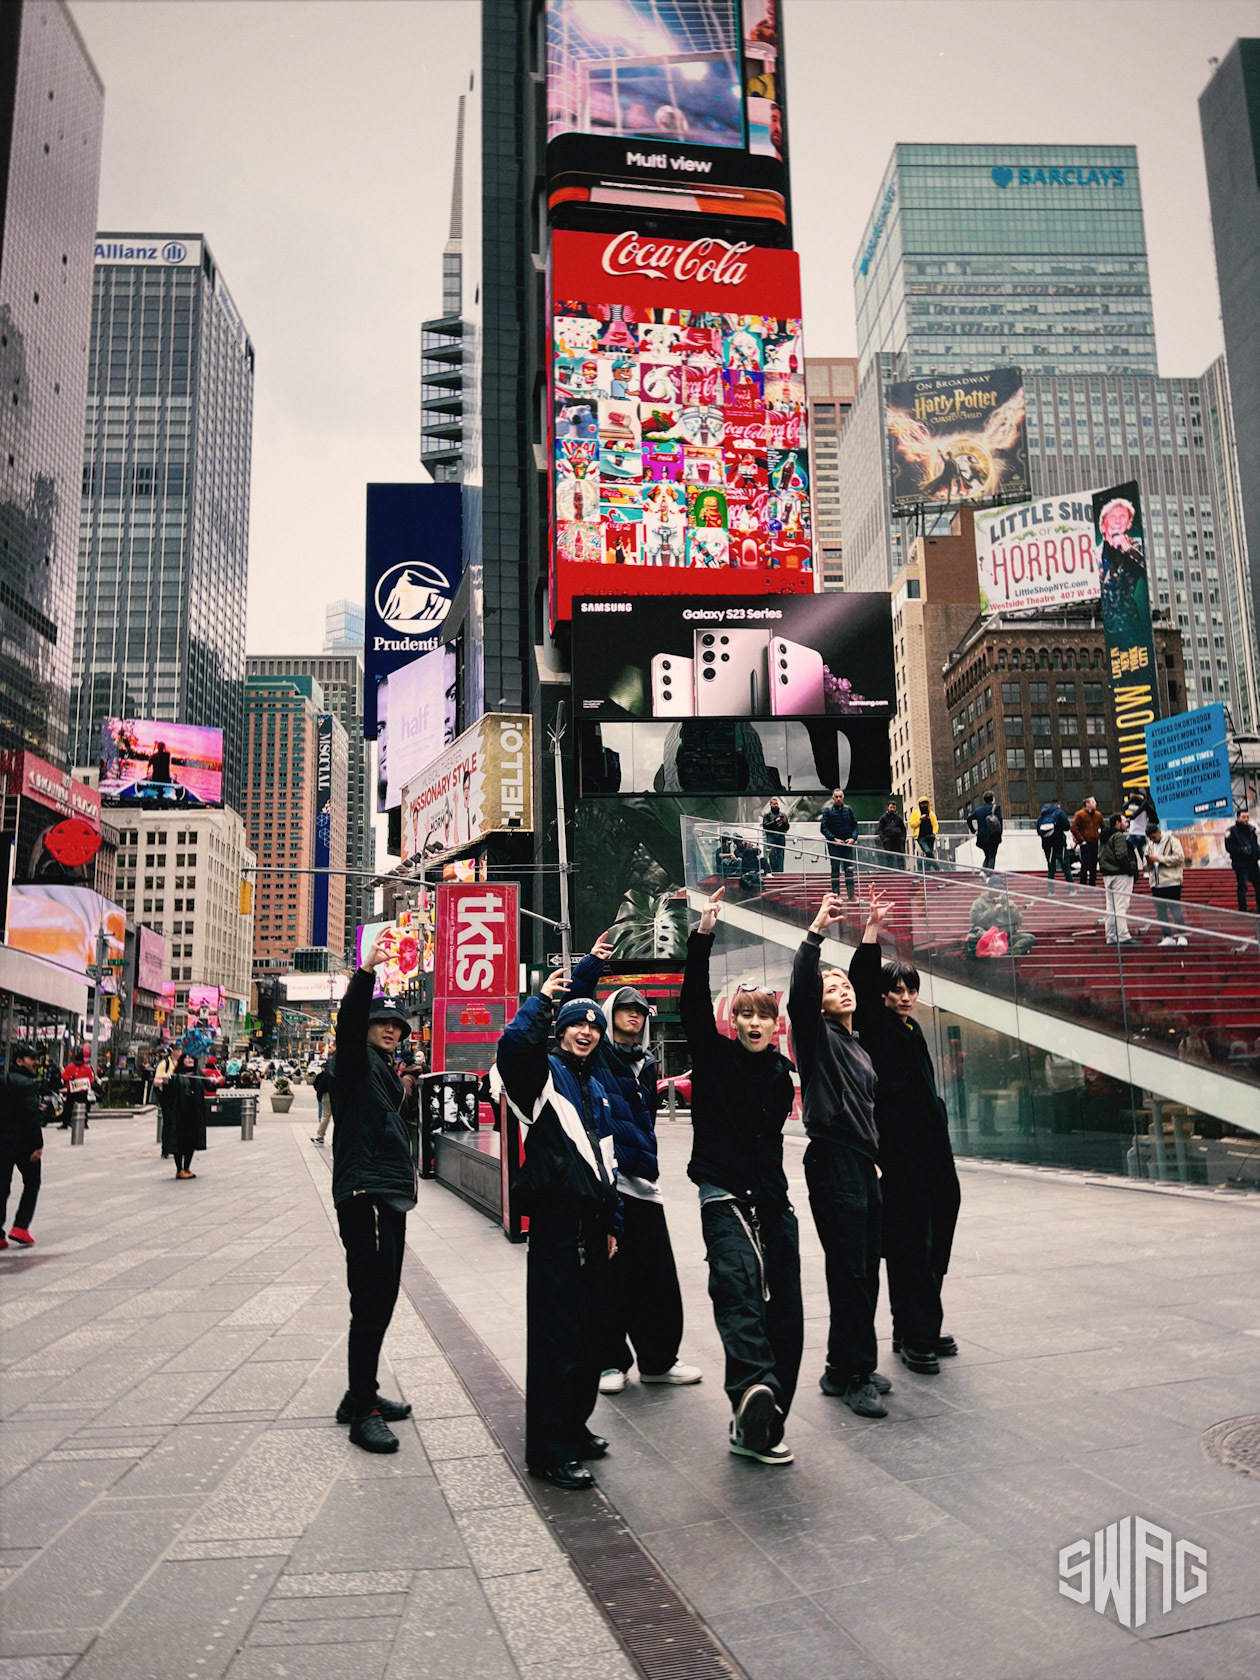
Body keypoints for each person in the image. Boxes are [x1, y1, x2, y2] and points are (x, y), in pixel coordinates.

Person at [681, 887, 802, 1466]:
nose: (754, 1023)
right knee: (737, 1288)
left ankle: (765, 1413)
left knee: (786, 1310)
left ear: (775, 1024)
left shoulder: (781, 1073)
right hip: (723, 1195)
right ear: (733, 1020)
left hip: (773, 1202)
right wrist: (703, 935)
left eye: (764, 1015)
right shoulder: (714, 1056)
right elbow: (690, 1003)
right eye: (745, 1014)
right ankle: (751, 1390)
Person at [497, 976, 620, 1492]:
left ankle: (575, 1424)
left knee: (592, 1336)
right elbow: (512, 1047)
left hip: (594, 1227)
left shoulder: (595, 1086)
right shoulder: (541, 1077)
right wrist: (543, 1000)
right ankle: (549, 1450)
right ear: (561, 1032)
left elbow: (607, 1161)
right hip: (555, 1225)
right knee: (556, 1340)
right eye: (577, 1025)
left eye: (594, 1025)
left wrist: (612, 1222)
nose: (587, 1032)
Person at [567, 944, 701, 1398]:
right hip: (608, 1186)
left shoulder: (647, 1066)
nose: (636, 1015)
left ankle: (659, 1360)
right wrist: (592, 964)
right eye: (626, 1009)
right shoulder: (598, 1056)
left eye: (641, 1010)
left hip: (646, 1184)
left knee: (658, 1279)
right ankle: (609, 1362)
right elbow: (575, 1009)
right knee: (608, 1277)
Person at [851, 890, 961, 1375]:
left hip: (933, 1150)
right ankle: (917, 1335)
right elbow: (860, 982)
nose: (904, 995)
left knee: (938, 1232)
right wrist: (872, 932)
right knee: (912, 1242)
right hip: (901, 1154)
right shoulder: (877, 1028)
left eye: (910, 988)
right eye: (895, 989)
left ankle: (915, 1322)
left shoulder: (913, 1030)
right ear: (882, 994)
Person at [788, 893, 889, 1419]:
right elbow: (799, 999)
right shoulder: (816, 1038)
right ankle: (854, 1376)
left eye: (843, 983)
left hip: (860, 1161)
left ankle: (840, 1365)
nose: (843, 989)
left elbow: (867, 985)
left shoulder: (856, 1040)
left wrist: (870, 931)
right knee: (851, 1270)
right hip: (833, 1161)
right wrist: (814, 937)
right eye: (833, 987)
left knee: (866, 1268)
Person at [330, 934, 418, 1454]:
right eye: (382, 1022)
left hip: (388, 1196)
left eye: (397, 1026)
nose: (391, 1030)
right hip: (367, 1196)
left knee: (380, 1299)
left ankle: (359, 1394)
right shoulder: (354, 1063)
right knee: (371, 1302)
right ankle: (362, 1409)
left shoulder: (384, 1072)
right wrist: (365, 975)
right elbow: (347, 1028)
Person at [0, 1042, 53, 1247]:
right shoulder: (29, 1084)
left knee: (1, 1186)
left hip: (2, 1143)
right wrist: (38, 1145)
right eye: (33, 1059)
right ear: (19, 1061)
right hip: (24, 1144)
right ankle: (20, 1227)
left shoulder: (2, 1081)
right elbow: (31, 1117)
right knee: (32, 1183)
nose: (37, 1063)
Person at [1099, 813, 1141, 945]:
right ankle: (1123, 935)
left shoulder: (1104, 837)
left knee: (1111, 907)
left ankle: (1111, 936)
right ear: (1117, 823)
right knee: (1121, 905)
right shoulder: (1118, 836)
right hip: (1120, 874)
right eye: (1124, 821)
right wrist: (1130, 870)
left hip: (1108, 874)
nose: (1127, 824)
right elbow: (1122, 855)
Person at [166, 1051, 207, 1179]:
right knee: (179, 1142)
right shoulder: (177, 1076)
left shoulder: (198, 1074)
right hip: (180, 1114)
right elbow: (168, 1091)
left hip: (194, 1113)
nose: (190, 1060)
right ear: (182, 1060)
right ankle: (179, 1169)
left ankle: (187, 1167)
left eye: (192, 1058)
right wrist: (165, 1081)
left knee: (191, 1141)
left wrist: (217, 1081)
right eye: (187, 1058)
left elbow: (209, 1086)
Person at [965, 887, 1036, 958]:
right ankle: (1002, 951)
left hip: (1007, 936)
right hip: (989, 937)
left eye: (999, 888)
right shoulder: (979, 903)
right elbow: (975, 919)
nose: (997, 891)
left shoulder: (1009, 903)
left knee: (1029, 938)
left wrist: (1009, 912)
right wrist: (993, 911)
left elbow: (1019, 920)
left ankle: (1008, 952)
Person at [1147, 822, 1188, 946]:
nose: (1152, 840)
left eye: (1154, 837)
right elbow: (1146, 864)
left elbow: (1180, 858)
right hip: (1156, 883)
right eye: (1150, 838)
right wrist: (1148, 863)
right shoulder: (1150, 844)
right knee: (1161, 911)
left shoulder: (1172, 841)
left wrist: (1159, 859)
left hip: (1172, 881)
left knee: (1175, 909)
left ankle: (1182, 935)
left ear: (1159, 832)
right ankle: (1167, 936)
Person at [820, 788, 859, 901]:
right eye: (836, 797)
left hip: (847, 845)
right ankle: (836, 894)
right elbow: (823, 828)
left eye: (840, 796)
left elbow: (855, 825)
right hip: (834, 846)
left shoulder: (848, 809)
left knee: (849, 870)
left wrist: (853, 838)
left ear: (843, 797)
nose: (838, 799)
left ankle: (851, 895)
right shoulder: (828, 811)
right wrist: (833, 839)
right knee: (835, 870)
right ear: (833, 798)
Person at [1225, 809, 1260, 915]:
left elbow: (1255, 845)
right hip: (1241, 863)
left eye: (1247, 817)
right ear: (1238, 817)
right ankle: (1243, 910)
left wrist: (1257, 853)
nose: (1246, 819)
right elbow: (1230, 847)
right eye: (1243, 817)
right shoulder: (1232, 831)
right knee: (1243, 886)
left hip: (1253, 863)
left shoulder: (1251, 830)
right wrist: (1243, 851)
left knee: (1258, 885)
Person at [1036, 800, 1074, 887]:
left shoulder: (1042, 815)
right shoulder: (1060, 813)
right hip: (1059, 843)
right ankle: (1071, 889)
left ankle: (1051, 890)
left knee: (1051, 867)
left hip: (1047, 845)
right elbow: (1067, 827)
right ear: (1058, 805)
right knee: (1065, 866)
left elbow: (1038, 831)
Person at [1071, 796, 1104, 887]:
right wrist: (1081, 840)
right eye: (1093, 802)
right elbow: (1073, 828)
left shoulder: (1098, 815)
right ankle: (1083, 883)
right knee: (1084, 863)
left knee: (1093, 863)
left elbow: (1103, 827)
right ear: (1087, 804)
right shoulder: (1079, 814)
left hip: (1094, 842)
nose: (1095, 804)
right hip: (1085, 842)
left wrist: (1100, 836)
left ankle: (1092, 883)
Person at [59, 1048, 95, 1130]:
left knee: (83, 1107)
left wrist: (85, 1083)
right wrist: (70, 1078)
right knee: (68, 1107)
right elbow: (63, 1076)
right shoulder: (70, 1067)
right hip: (72, 1091)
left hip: (82, 1091)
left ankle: (84, 1123)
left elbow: (91, 1078)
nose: (78, 1063)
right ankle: (65, 1123)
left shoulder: (87, 1068)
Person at [967, 792, 1003, 872]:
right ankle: (989, 875)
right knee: (992, 856)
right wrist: (1000, 834)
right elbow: (1000, 821)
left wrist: (973, 831)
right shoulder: (996, 808)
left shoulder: (978, 810)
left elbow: (969, 819)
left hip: (981, 838)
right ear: (993, 799)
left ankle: (983, 873)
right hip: (993, 837)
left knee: (987, 856)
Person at [1123, 788, 1158, 864]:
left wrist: (1131, 799)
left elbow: (1125, 806)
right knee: (1143, 853)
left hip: (1134, 833)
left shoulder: (1134, 808)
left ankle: (1132, 865)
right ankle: (1146, 869)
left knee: (1128, 850)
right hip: (1142, 833)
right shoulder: (1146, 809)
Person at [311, 1053, 336, 1145]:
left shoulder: (329, 1066)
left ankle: (320, 1136)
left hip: (327, 1094)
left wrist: (319, 1094)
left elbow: (322, 1082)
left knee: (325, 1116)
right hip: (339, 1094)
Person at [908, 798, 938, 870]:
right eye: (922, 803)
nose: (924, 805)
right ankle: (937, 867)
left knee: (929, 854)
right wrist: (920, 819)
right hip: (921, 837)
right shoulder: (915, 813)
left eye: (925, 803)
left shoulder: (931, 814)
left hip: (930, 836)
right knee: (928, 851)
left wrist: (934, 833)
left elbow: (935, 824)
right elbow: (912, 824)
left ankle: (927, 870)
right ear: (919, 804)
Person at [761, 799, 789, 874]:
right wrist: (775, 821)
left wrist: (784, 822)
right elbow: (765, 826)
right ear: (770, 805)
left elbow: (787, 827)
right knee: (772, 854)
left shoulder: (782, 814)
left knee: (780, 855)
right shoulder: (767, 815)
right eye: (774, 804)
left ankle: (780, 872)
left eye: (777, 804)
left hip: (780, 836)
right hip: (771, 836)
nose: (776, 805)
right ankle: (773, 871)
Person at [877, 801, 907, 870]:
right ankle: (891, 869)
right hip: (888, 839)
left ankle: (901, 869)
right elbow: (880, 829)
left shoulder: (899, 818)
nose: (892, 809)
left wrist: (903, 838)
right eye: (891, 807)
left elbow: (903, 828)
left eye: (894, 807)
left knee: (900, 855)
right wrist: (884, 839)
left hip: (899, 839)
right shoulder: (883, 818)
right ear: (887, 808)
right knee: (889, 856)